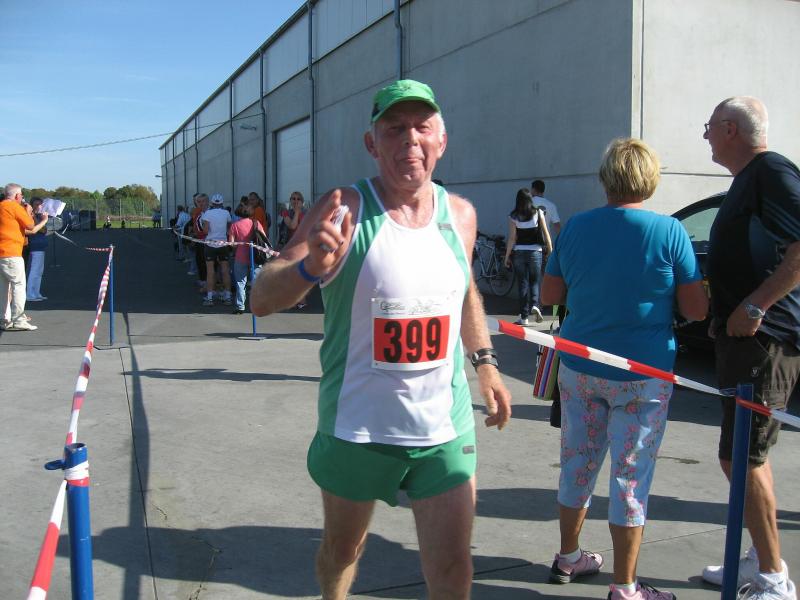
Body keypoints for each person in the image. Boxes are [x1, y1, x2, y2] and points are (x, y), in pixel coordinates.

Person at [250, 79, 511, 600]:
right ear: (372, 143)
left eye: (422, 128)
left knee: (454, 565)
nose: (409, 139)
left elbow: (464, 291)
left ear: (441, 141)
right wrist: (309, 268)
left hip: (443, 426)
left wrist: (485, 362)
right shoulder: (344, 207)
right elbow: (261, 297)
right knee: (342, 553)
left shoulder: (460, 215)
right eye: (394, 129)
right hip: (358, 427)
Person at [541, 138, 708, 600]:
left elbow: (550, 295)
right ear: (650, 179)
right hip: (644, 374)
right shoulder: (669, 232)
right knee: (630, 477)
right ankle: (625, 585)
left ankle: (569, 556)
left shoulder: (576, 227)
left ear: (606, 178)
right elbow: (696, 310)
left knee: (576, 462)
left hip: (580, 364)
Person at [700, 96, 800, 600]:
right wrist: (724, 316)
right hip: (743, 339)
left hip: (765, 340)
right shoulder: (750, 179)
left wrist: (757, 305)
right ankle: (758, 558)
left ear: (731, 129)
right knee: (737, 456)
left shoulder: (772, 172)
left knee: (745, 457)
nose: (705, 136)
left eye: (709, 127)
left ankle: (774, 579)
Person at [0, 183, 48, 331]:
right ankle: (19, 319)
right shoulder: (15, 207)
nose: (22, 197)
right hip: (12, 253)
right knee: (19, 286)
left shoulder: (2, 207)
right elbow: (30, 225)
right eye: (21, 195)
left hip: (2, 253)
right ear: (16, 196)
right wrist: (31, 213)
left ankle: (4, 319)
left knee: (3, 288)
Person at [503, 187, 552, 325]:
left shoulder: (513, 216)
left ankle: (524, 317)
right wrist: (551, 250)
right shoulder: (538, 213)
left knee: (522, 283)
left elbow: (512, 238)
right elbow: (546, 234)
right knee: (534, 281)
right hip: (535, 252)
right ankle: (535, 305)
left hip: (519, 252)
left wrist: (507, 256)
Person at [228, 203, 264, 314]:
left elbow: (231, 244)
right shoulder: (256, 223)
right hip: (256, 256)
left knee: (240, 282)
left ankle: (240, 306)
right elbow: (263, 237)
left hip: (240, 256)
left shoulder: (234, 225)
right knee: (256, 281)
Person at [200, 193, 232, 306]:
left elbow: (205, 231)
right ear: (222, 203)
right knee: (225, 270)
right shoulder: (226, 213)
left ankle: (209, 298)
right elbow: (229, 229)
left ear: (212, 203)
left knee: (210, 271)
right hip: (223, 244)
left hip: (210, 244)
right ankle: (228, 296)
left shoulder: (208, 213)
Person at [25, 197, 48, 301]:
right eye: (36, 204)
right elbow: (40, 229)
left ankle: (36, 292)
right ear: (32, 206)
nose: (39, 206)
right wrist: (43, 220)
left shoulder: (39, 215)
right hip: (35, 246)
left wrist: (43, 219)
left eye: (40, 204)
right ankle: (30, 294)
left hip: (40, 246)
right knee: (34, 270)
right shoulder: (31, 215)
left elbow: (44, 230)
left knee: (39, 272)